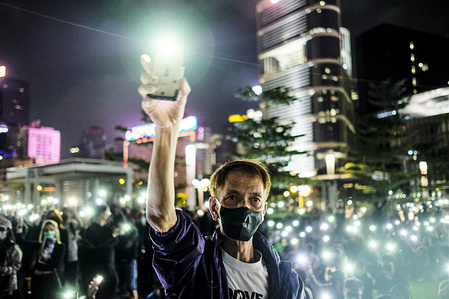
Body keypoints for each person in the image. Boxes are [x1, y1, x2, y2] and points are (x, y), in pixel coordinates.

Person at [138, 54, 305, 298]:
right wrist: (166, 129)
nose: (244, 206)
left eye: (254, 200)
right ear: (214, 208)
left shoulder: (288, 282)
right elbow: (161, 217)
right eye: (233, 197)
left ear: (264, 209)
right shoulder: (195, 265)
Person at [16, 219, 66, 299]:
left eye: (51, 230)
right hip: (37, 279)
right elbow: (20, 241)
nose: (49, 232)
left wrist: (44, 258)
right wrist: (20, 226)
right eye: (46, 230)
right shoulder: (39, 245)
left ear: (56, 231)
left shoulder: (60, 247)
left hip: (49, 279)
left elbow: (55, 265)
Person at [79, 205, 119, 299]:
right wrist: (112, 237)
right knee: (98, 291)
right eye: (107, 211)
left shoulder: (108, 229)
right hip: (96, 266)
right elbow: (97, 244)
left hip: (109, 265)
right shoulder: (91, 229)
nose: (108, 214)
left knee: (111, 290)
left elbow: (114, 242)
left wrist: (108, 240)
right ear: (101, 214)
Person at [0, 218, 22, 298]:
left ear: (8, 231)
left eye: (2, 229)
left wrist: (5, 269)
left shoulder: (14, 248)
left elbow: (17, 266)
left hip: (8, 285)